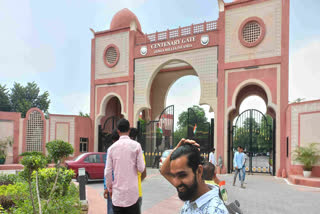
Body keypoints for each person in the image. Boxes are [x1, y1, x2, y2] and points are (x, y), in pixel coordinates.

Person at [160, 138, 228, 213]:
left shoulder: (215, 211)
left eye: (182, 175)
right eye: (174, 175)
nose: (175, 183)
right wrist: (177, 149)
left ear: (199, 171)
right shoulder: (192, 193)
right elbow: (164, 171)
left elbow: (164, 171)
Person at [105, 119, 145, 214]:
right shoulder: (136, 146)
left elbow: (107, 172)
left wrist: (110, 188)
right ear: (129, 130)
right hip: (132, 195)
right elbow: (141, 168)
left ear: (118, 131)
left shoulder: (111, 149)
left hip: (117, 195)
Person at [129, 128, 147, 211]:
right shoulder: (139, 152)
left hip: (124, 194)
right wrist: (138, 180)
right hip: (137, 192)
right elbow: (144, 173)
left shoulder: (119, 151)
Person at [104, 129, 120, 214]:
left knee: (111, 210)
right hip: (122, 186)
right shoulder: (125, 150)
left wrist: (106, 187)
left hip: (112, 187)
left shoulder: (110, 150)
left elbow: (107, 171)